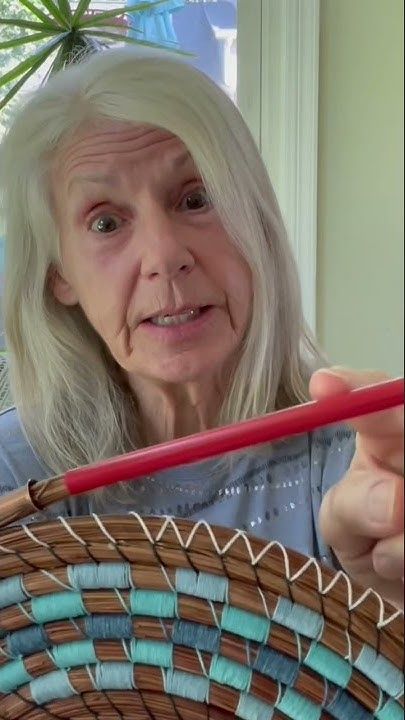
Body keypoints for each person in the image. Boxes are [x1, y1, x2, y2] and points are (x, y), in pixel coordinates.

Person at [0, 49, 403, 610]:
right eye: (106, 222)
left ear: (255, 224)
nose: (164, 256)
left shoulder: (348, 457)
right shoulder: (15, 477)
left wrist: (387, 604)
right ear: (59, 274)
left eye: (196, 199)